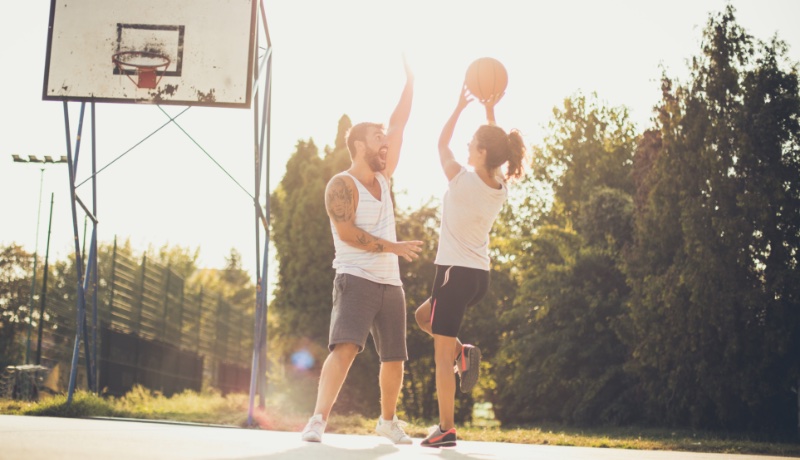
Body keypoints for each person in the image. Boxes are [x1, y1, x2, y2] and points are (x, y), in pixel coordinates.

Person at [300, 57, 422, 444]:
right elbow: (349, 233)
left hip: (391, 282)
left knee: (395, 358)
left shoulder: (384, 179)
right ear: (358, 145)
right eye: (378, 139)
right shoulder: (342, 183)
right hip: (355, 277)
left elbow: (400, 123)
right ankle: (317, 419)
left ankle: (387, 421)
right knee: (347, 348)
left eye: (385, 139)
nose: (386, 143)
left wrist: (411, 81)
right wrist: (393, 247)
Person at [415, 85, 526, 448]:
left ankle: (446, 428)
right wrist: (490, 115)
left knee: (440, 357)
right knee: (422, 317)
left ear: (480, 152)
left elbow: (440, 144)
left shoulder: (461, 181)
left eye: (472, 144)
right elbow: (500, 151)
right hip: (478, 277)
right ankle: (463, 351)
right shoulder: (499, 186)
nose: (466, 147)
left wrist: (458, 107)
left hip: (454, 274)